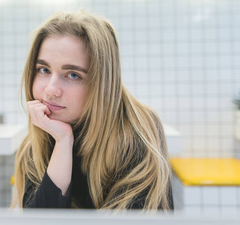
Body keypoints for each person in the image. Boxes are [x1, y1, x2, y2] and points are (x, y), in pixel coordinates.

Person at [11, 11, 173, 210]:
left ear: (102, 83)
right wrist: (63, 142)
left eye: (72, 75)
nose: (51, 90)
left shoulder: (138, 132)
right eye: (44, 70)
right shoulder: (37, 141)